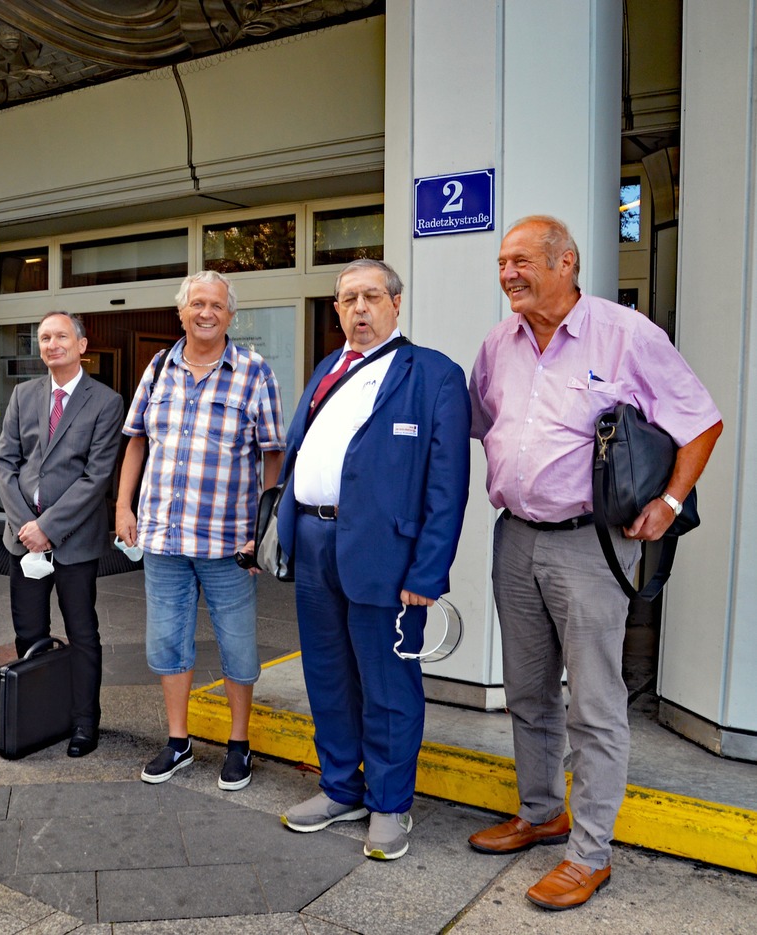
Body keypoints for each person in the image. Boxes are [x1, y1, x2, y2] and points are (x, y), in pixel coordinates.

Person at [467, 215, 723, 909]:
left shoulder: (625, 334)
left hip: (592, 541)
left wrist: (669, 502)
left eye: (520, 260)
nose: (508, 274)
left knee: (595, 702)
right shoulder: (498, 343)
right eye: (501, 263)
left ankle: (589, 852)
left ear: (566, 262)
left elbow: (700, 419)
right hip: (514, 536)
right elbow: (483, 425)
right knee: (527, 689)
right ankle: (542, 809)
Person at [275, 259, 470, 861]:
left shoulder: (434, 374)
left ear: (395, 302)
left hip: (388, 556)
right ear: (336, 309)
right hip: (313, 542)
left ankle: (390, 804)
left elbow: (448, 483)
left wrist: (428, 572)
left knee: (387, 685)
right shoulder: (327, 369)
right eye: (347, 299)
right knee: (327, 676)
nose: (359, 308)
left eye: (371, 296)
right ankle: (341, 788)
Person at [116, 270, 285, 791]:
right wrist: (123, 505)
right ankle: (178, 741)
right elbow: (137, 441)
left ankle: (239, 744)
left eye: (216, 304)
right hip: (164, 536)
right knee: (167, 642)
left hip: (228, 540)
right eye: (196, 305)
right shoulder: (158, 368)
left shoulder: (255, 372)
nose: (206, 312)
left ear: (230, 315)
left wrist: (265, 524)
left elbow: (273, 452)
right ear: (181, 313)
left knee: (238, 646)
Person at [0, 311, 125, 758]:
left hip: (74, 542)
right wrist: (24, 526)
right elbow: (4, 463)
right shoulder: (23, 395)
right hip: (23, 538)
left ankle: (85, 721)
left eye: (61, 336)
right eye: (44, 337)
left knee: (82, 633)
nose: (51, 344)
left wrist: (48, 528)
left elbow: (96, 477)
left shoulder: (105, 402)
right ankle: (39, 716)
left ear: (82, 345)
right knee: (29, 632)